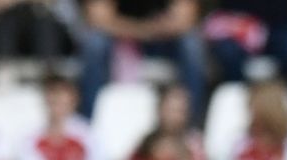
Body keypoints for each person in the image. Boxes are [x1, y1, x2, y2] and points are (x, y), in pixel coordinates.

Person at [78, 0, 208, 124]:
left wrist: (147, 30)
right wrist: (140, 30)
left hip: (161, 39)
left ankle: (190, 124)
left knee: (191, 43)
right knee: (95, 43)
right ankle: (88, 122)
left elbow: (185, 19)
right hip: (120, 38)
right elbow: (97, 18)